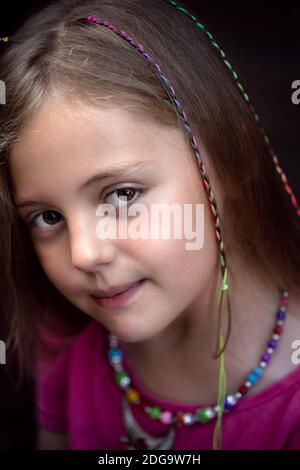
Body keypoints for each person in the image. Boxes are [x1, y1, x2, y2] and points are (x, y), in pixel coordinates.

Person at [0, 0, 299, 450]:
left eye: (122, 195)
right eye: (48, 217)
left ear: (225, 162)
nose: (84, 254)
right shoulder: (64, 341)